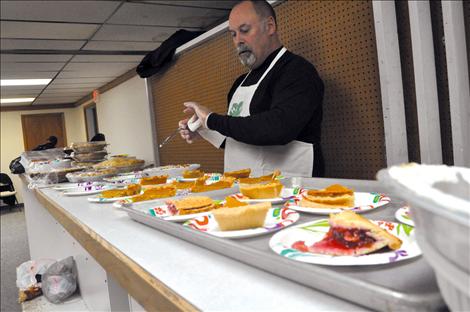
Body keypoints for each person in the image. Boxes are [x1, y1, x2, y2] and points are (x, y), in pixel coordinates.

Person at [179, 0, 324, 177]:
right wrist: (203, 129)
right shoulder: (239, 83)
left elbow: (278, 129)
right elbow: (242, 137)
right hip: (244, 192)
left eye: (244, 30)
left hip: (290, 191)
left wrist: (211, 119)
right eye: (233, 34)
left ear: (270, 26)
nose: (238, 41)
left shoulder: (297, 71)